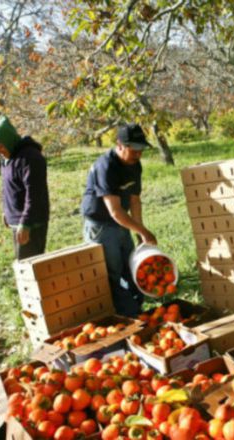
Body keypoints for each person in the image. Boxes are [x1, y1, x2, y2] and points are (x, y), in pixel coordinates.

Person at [81, 123, 157, 317]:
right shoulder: (106, 167)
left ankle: (137, 310)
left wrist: (139, 229)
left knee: (131, 265)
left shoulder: (134, 164)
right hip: (101, 226)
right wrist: (143, 232)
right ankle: (124, 316)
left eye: (141, 149)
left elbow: (134, 200)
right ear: (120, 144)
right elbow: (114, 211)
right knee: (112, 273)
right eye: (134, 149)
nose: (138, 154)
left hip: (122, 223)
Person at [0, 115, 49, 260]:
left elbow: (34, 193)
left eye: (0, 146)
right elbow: (9, 186)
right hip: (17, 220)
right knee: (23, 264)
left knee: (30, 265)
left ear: (8, 139)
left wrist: (26, 223)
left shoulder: (30, 158)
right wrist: (6, 211)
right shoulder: (8, 158)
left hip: (31, 223)